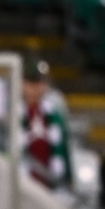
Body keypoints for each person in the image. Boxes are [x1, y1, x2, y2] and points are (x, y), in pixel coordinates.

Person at [21, 57, 72, 193]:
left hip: (51, 179)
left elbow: (64, 143)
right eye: (32, 83)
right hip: (23, 179)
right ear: (22, 84)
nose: (37, 88)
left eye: (40, 83)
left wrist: (69, 177)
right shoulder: (13, 110)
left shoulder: (55, 107)